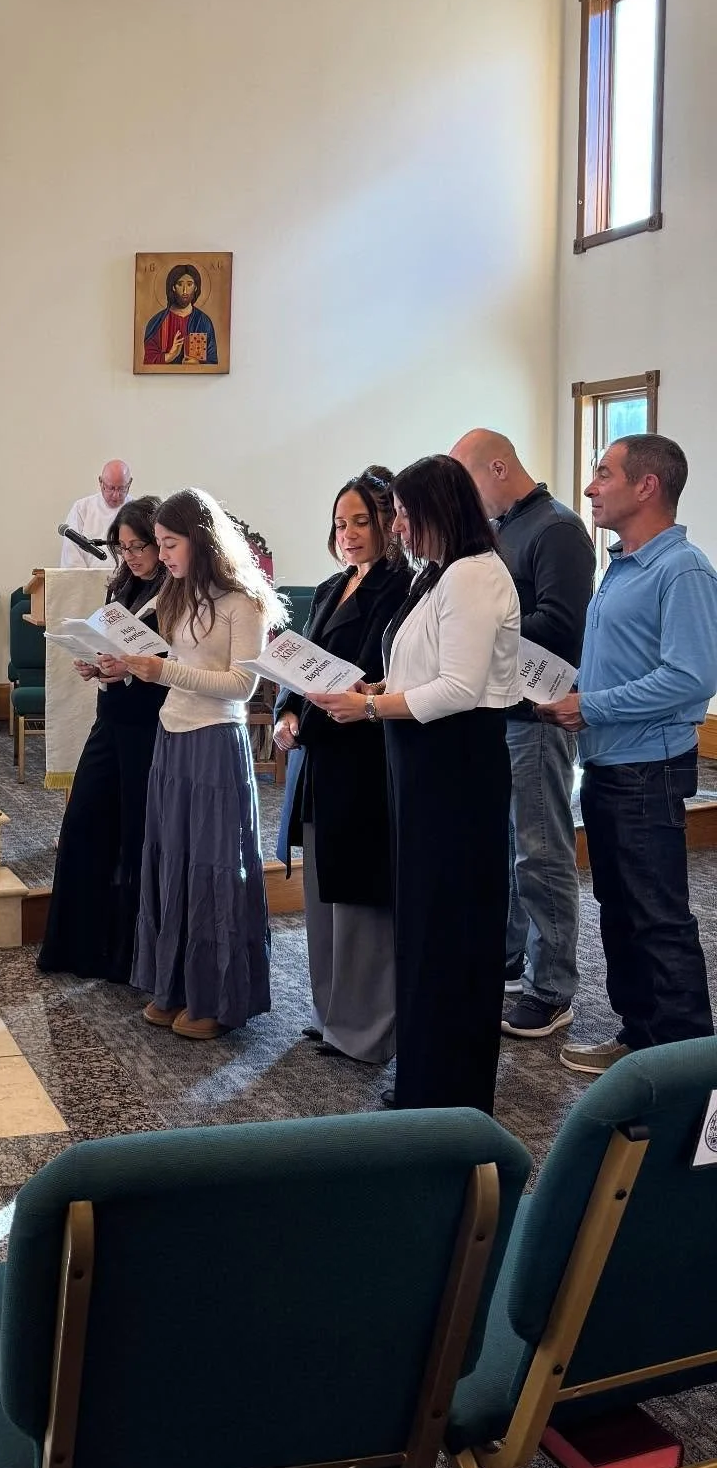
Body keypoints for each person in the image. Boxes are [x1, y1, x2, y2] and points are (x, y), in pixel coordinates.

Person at [311, 455, 521, 1114]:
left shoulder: (473, 576)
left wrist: (371, 708)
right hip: (422, 760)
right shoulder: (440, 577)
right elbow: (422, 668)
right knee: (425, 930)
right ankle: (426, 1081)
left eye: (405, 513)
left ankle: (450, 1094)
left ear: (441, 510)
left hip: (456, 764)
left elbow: (460, 689)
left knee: (452, 931)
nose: (397, 526)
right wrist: (378, 690)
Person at [539, 435, 717, 1075]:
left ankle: (687, 1069)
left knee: (657, 916)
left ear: (647, 487)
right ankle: (641, 1040)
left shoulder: (683, 569)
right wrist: (568, 692)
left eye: (604, 474)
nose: (590, 488)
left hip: (648, 767)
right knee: (620, 909)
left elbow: (692, 677)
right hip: (611, 763)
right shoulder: (622, 565)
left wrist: (593, 705)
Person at [113, 488, 285, 1038]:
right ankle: (175, 986)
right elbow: (173, 660)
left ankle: (214, 998)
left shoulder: (245, 602)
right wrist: (121, 668)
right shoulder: (179, 594)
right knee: (173, 861)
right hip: (173, 734)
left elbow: (241, 685)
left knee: (213, 868)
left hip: (215, 740)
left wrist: (161, 672)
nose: (161, 555)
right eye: (157, 544)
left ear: (201, 540)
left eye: (169, 543)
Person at [451, 429, 595, 1040]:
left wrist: (479, 631)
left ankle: (552, 987)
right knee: (508, 851)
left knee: (541, 853)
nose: (465, 497)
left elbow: (561, 628)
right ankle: (511, 961)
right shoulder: (503, 527)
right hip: (502, 714)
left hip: (536, 718)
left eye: (469, 481)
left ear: (499, 467)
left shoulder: (557, 529)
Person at [274, 469, 411, 1064]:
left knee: (363, 899)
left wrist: (358, 698)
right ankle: (330, 1015)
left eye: (361, 522)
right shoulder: (333, 586)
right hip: (320, 755)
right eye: (340, 524)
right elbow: (302, 662)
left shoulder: (402, 588)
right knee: (325, 895)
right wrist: (286, 713)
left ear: (388, 523)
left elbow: (388, 670)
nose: (349, 534)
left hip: (365, 752)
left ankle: (368, 1029)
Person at [38, 497, 168, 981]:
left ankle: (126, 954)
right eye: (123, 547)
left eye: (140, 546)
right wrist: (98, 664)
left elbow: (173, 664)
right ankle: (77, 947)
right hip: (111, 717)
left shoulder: (174, 593)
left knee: (135, 833)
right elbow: (118, 648)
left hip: (148, 725)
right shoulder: (123, 586)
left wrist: (129, 669)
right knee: (84, 822)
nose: (132, 556)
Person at [142, 263, 219, 366]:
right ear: (173, 287)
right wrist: (170, 356)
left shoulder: (203, 321)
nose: (185, 291)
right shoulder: (157, 323)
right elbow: (148, 361)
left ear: (196, 287)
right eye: (179, 284)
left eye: (189, 284)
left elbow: (213, 361)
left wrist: (198, 364)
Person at [60, 461, 133, 567]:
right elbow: (71, 551)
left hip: (128, 579)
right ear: (100, 482)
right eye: (111, 488)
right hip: (88, 579)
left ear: (129, 483)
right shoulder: (82, 508)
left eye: (121, 489)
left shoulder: (137, 510)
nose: (116, 495)